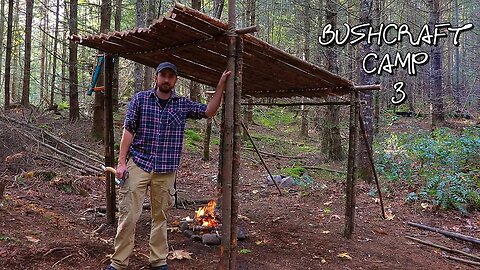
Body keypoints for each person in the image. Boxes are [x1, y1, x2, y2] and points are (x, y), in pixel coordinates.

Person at [106, 62, 231, 270]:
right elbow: (128, 131)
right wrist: (121, 162)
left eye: (170, 76)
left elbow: (209, 111)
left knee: (160, 216)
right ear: (156, 77)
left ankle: (158, 261)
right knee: (129, 214)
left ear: (175, 80)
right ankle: (118, 262)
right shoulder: (141, 99)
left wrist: (220, 86)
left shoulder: (181, 104)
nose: (166, 79)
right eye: (163, 75)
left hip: (166, 169)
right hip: (139, 163)